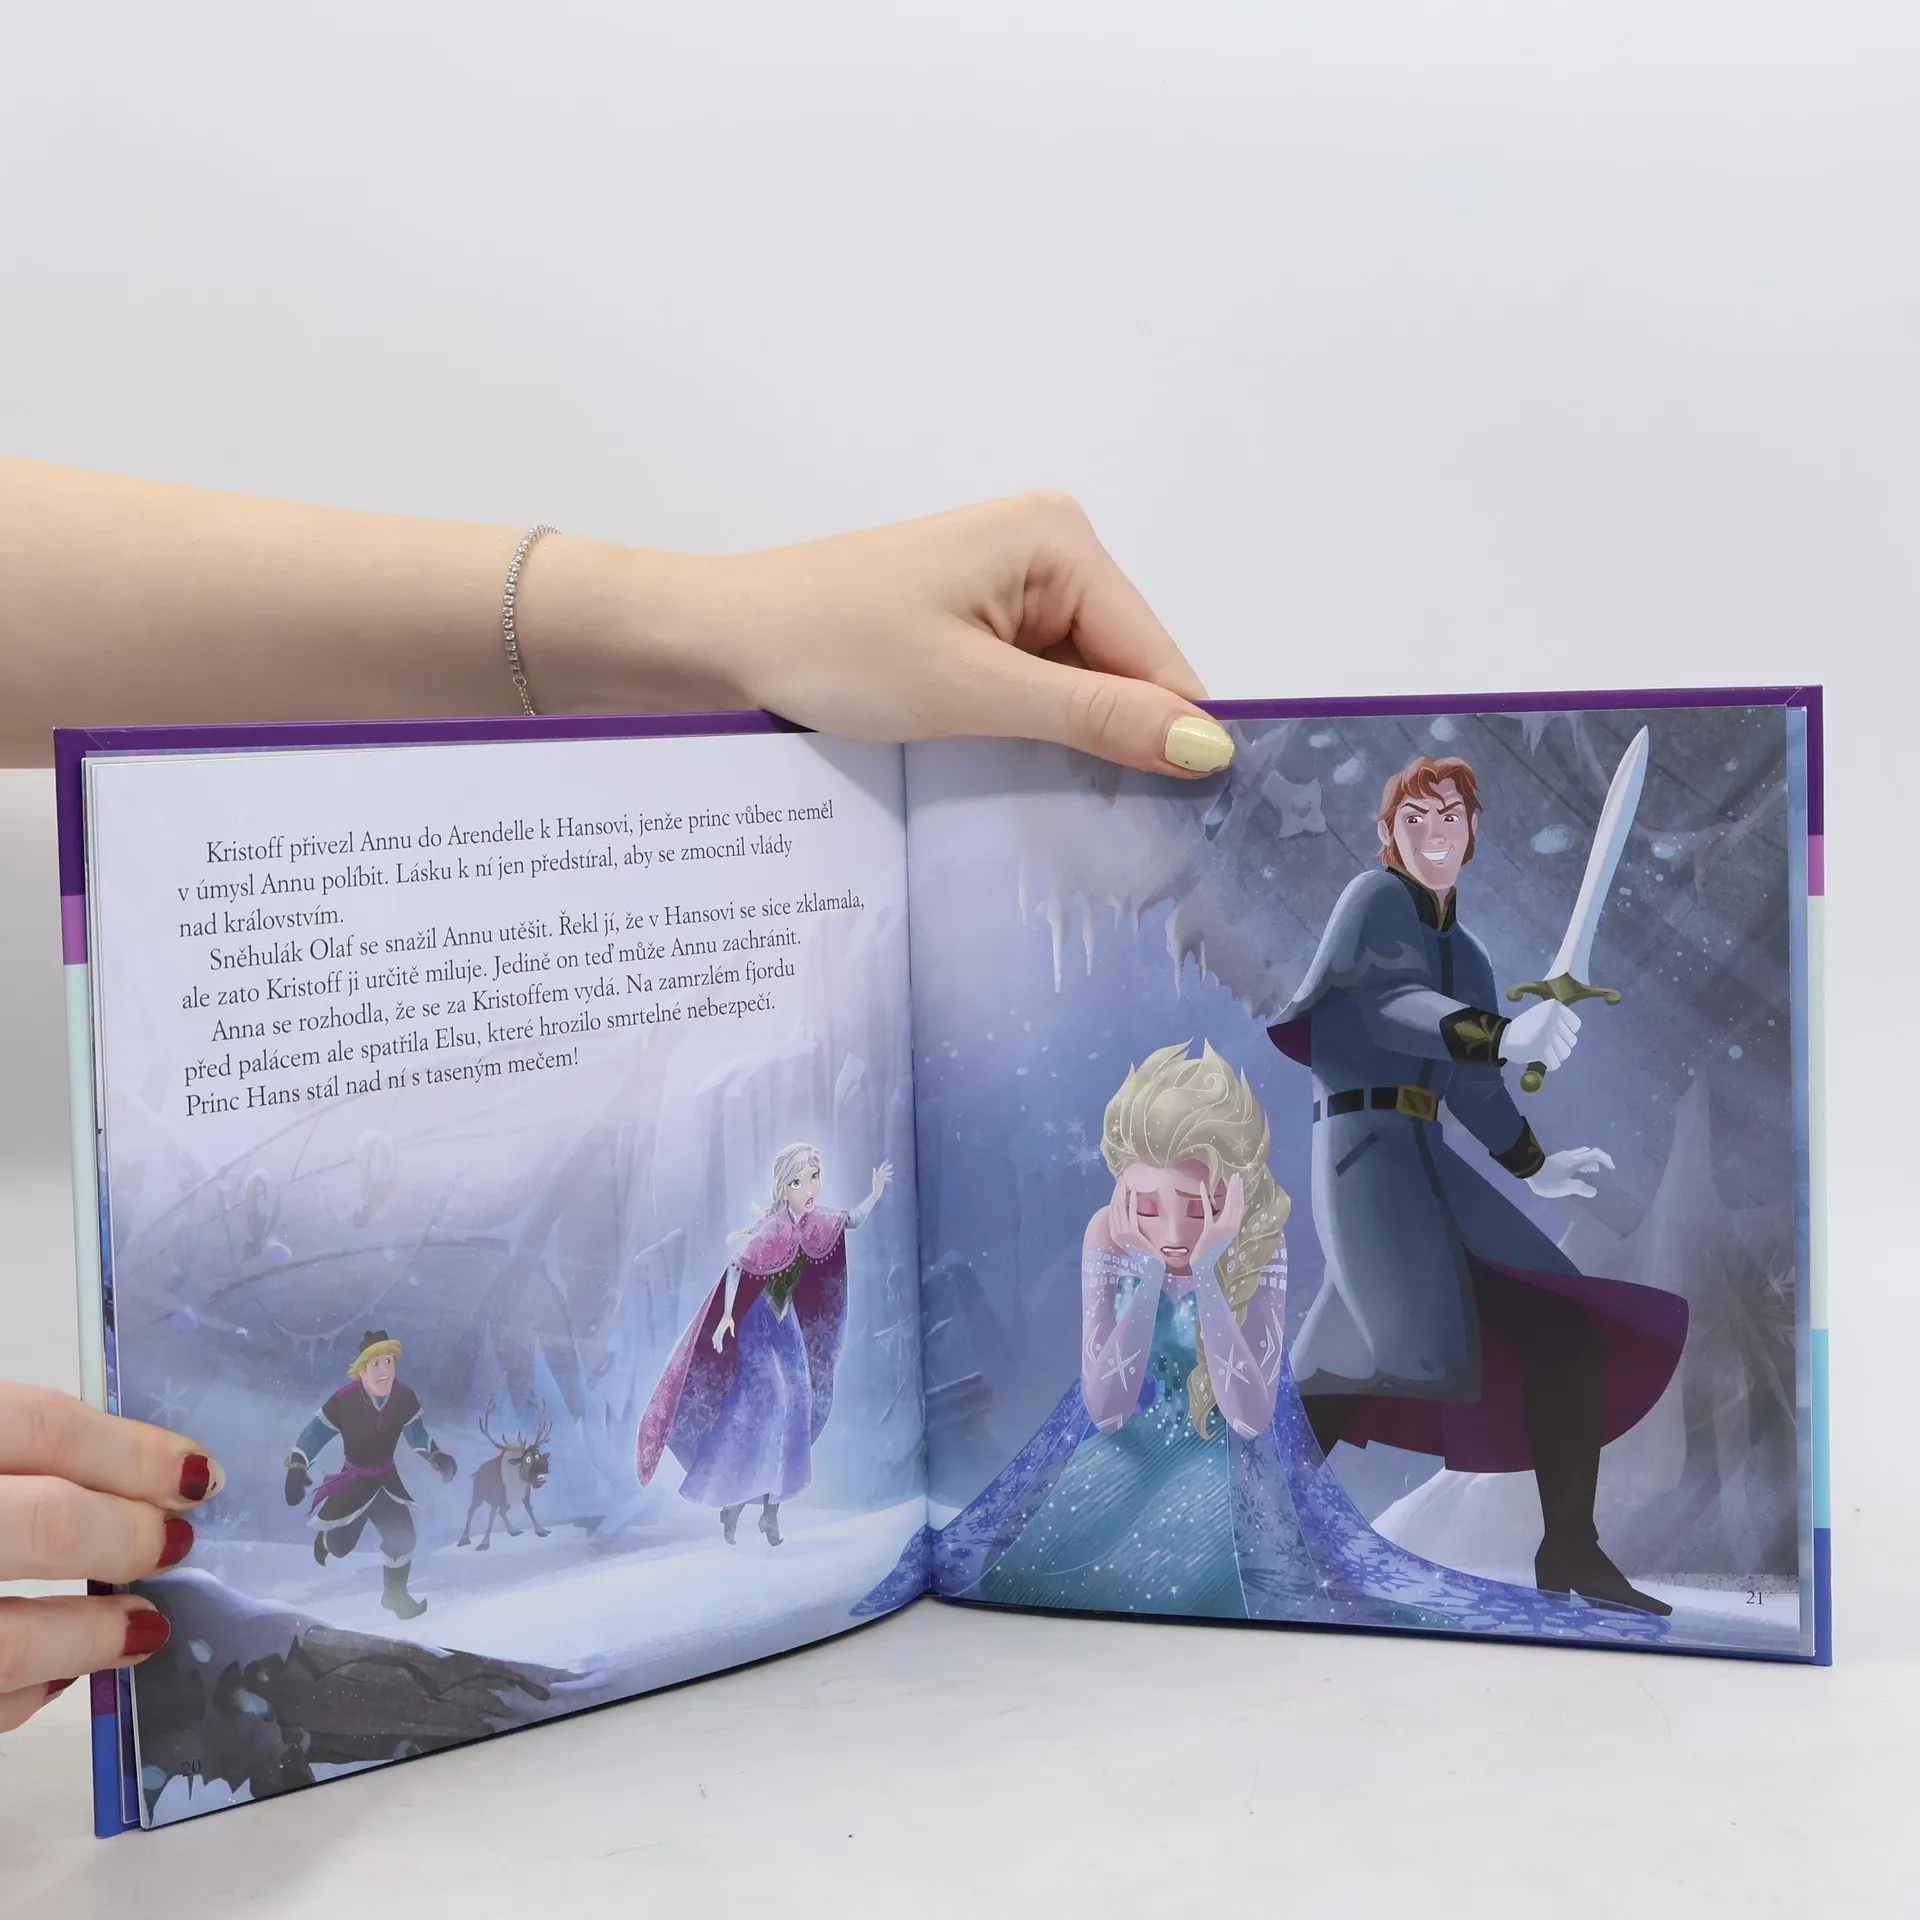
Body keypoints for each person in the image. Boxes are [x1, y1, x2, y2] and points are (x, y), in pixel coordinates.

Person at [1, 455, 1233, 1727]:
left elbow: (826, 1244)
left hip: (770, 1360)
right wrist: (717, 1330)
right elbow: (738, 1286)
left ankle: (659, 1531)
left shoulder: (805, 1217)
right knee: (675, 1446)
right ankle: (409, 1581)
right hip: (737, 1357)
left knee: (764, 1431)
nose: (809, 1181)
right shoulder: (755, 1234)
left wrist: (718, 623)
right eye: (805, 1172)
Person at [1266, 754, 1689, 1614]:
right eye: (1414, 817)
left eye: (1450, 817)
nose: (1433, 833)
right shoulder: (1374, 901)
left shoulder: (1468, 952)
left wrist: (1537, 1163)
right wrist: (1503, 1034)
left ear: (1472, 833)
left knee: (1563, 1330)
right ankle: (1250, 1518)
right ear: (1388, 833)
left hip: (1427, 1162)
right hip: (1365, 1160)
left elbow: (1473, 1088)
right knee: (1372, 1355)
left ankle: (1570, 1550)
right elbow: (1389, 1006)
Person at [635, 1147, 890, 1546]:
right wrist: (726, 1315)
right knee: (765, 1400)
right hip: (756, 1321)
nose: (809, 1188)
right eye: (798, 1181)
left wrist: (874, 1194)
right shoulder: (773, 1230)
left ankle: (770, 1511)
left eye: (814, 1178)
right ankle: (734, 1501)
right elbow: (737, 1267)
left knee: (799, 1399)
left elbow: (852, 1221)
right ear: (783, 1187)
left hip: (785, 1323)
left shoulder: (818, 1221)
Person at [284, 1329, 459, 1620]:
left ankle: (394, 1595)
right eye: (375, 1363)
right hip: (353, 1483)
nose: (384, 1369)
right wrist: (297, 1467)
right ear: (362, 1371)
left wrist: (436, 1456)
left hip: (386, 1480)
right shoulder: (344, 1400)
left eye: (389, 1361)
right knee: (341, 1546)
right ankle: (326, 1541)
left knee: (403, 1536)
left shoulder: (403, 1398)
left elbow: (416, 1434)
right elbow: (314, 1435)